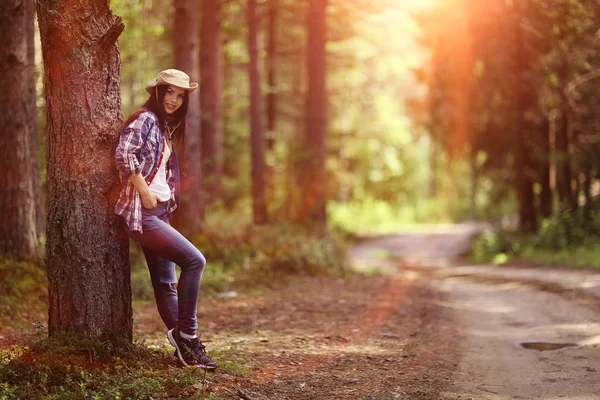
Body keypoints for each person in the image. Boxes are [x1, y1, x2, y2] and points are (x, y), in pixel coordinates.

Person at [115, 69, 217, 370]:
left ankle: (184, 350)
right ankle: (190, 336)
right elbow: (124, 153)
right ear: (157, 92)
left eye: (180, 95)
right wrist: (143, 190)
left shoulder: (166, 126)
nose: (173, 99)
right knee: (195, 261)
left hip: (159, 212)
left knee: (165, 283)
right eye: (168, 92)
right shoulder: (146, 119)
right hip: (143, 214)